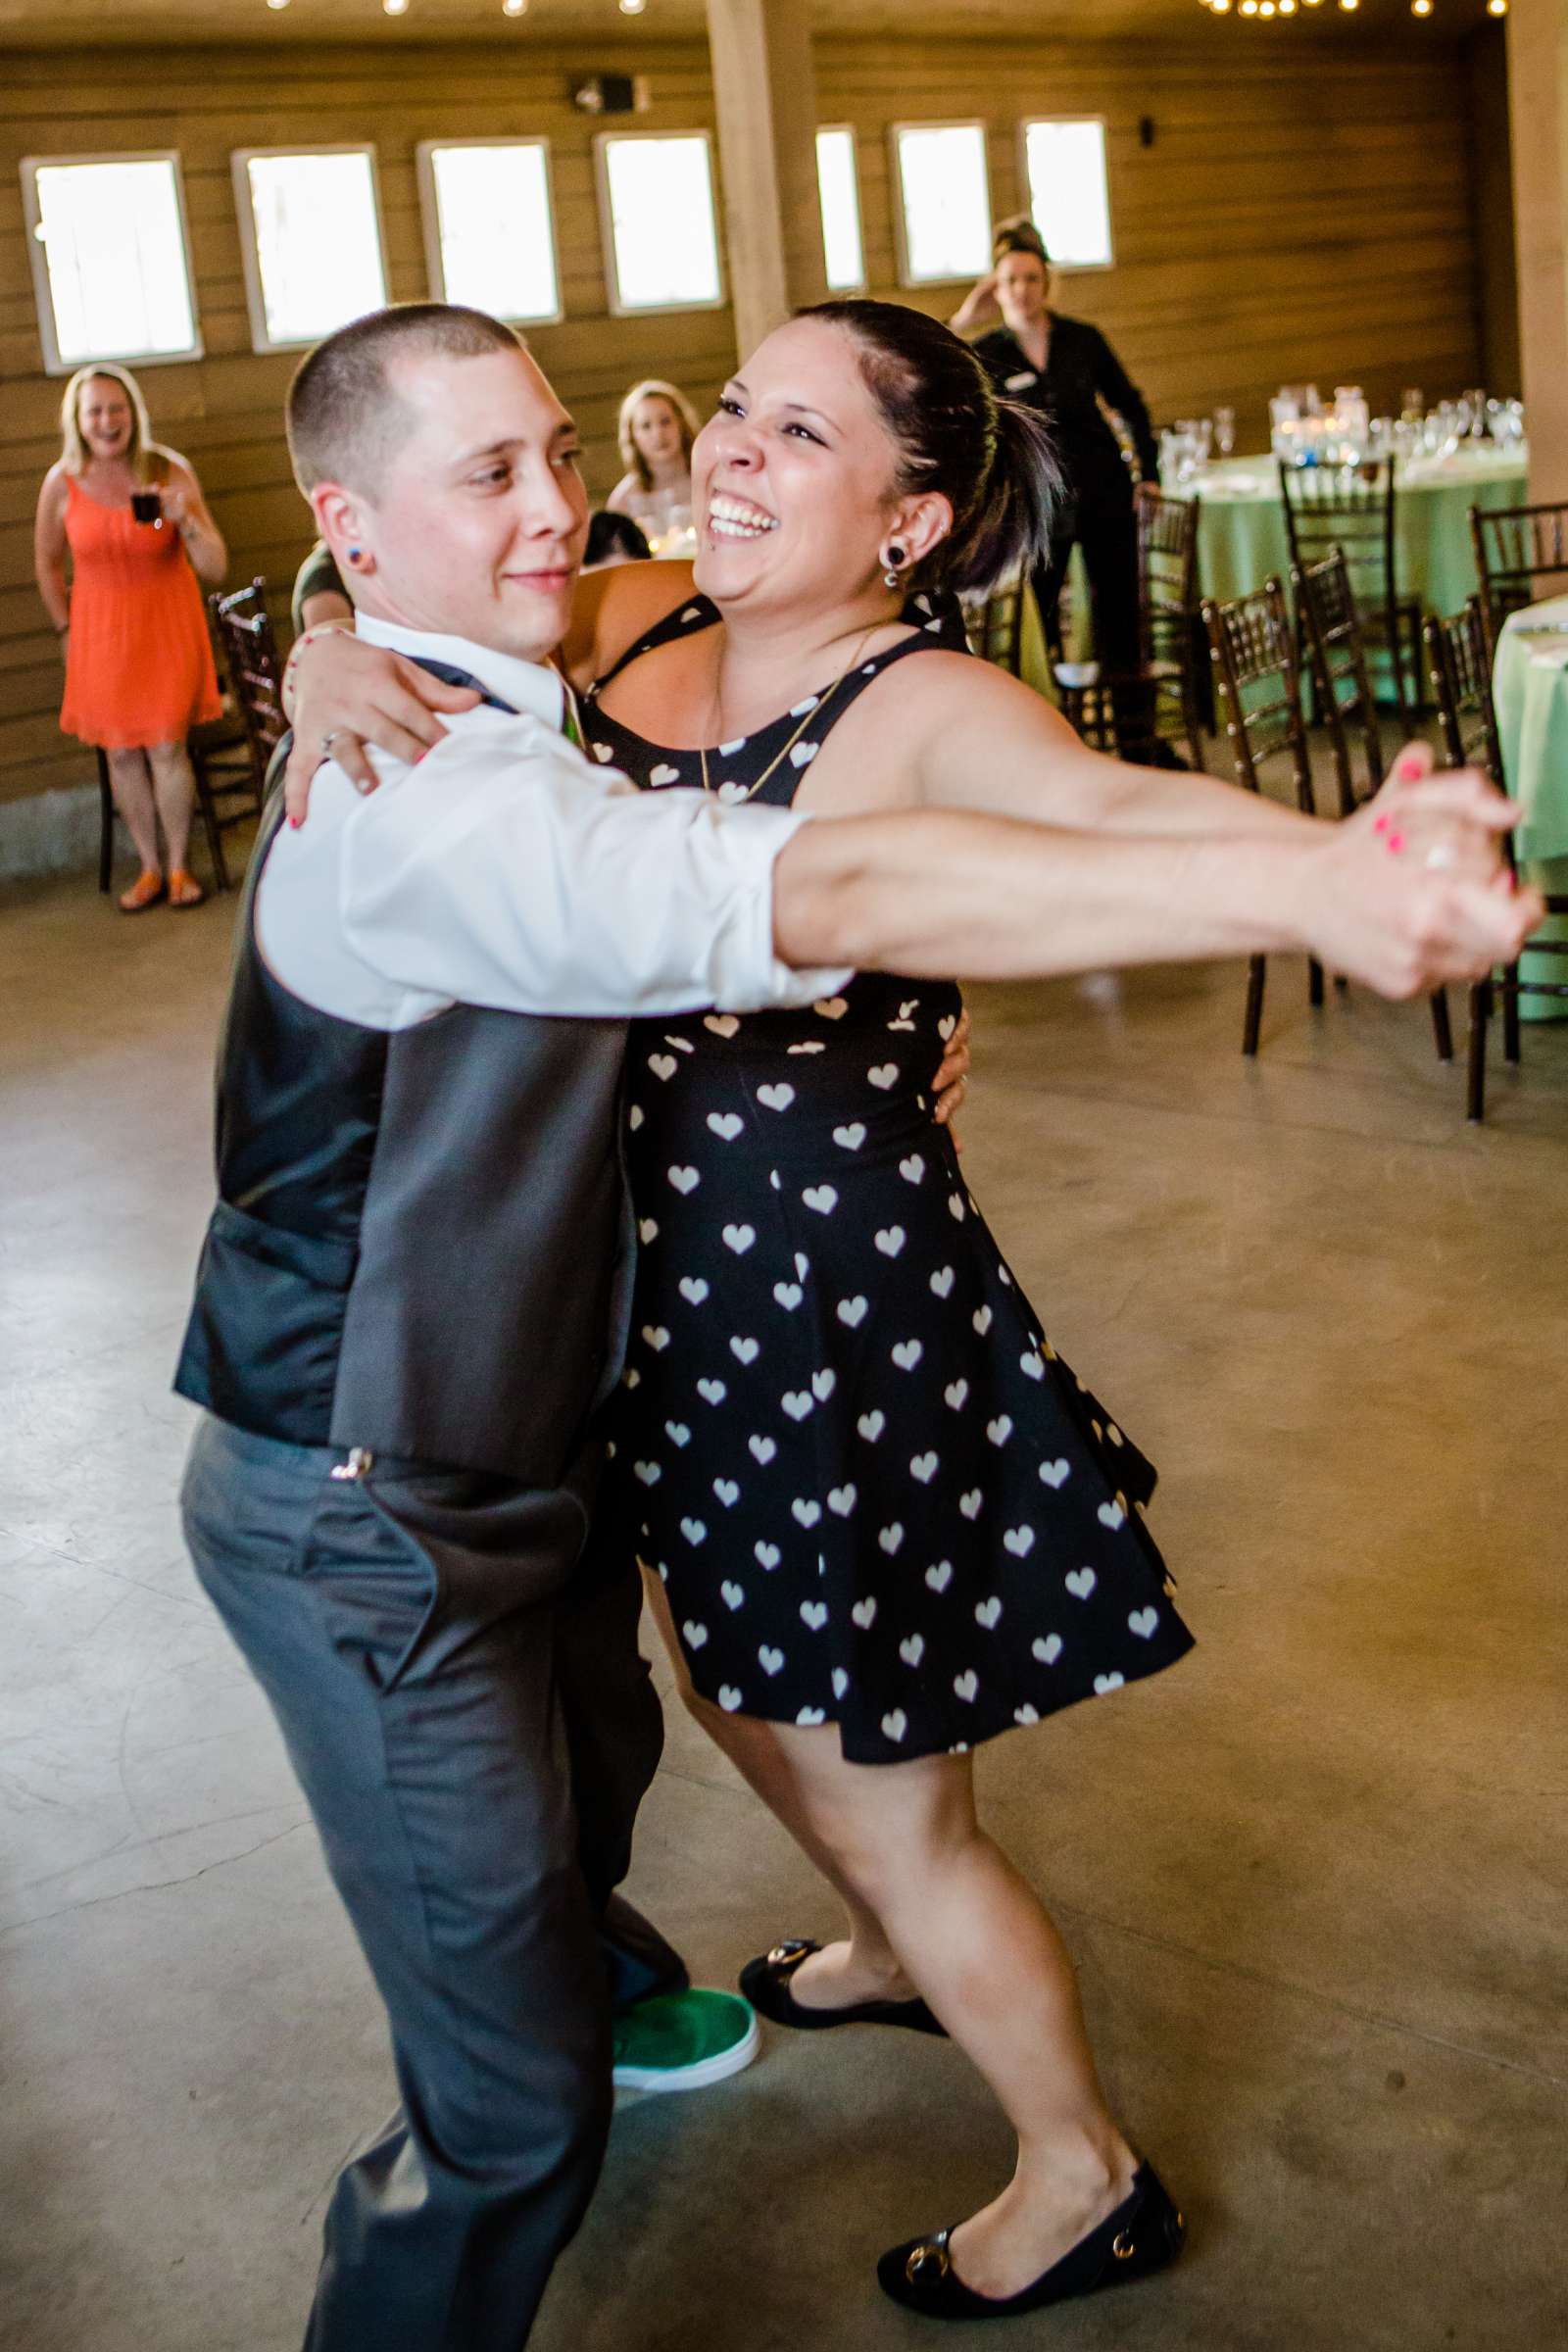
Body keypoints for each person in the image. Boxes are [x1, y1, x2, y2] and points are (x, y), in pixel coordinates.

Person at [283, 299, 1535, 2331]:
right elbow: (409, 606)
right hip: (652, 1303)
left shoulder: (927, 703)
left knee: (865, 1757)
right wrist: (316, 651)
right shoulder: (620, 624)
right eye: (733, 420)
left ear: (911, 518)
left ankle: (1077, 2168)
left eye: (793, 433)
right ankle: (880, 1936)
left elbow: (1102, 817)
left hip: (821, 1313)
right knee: (743, 1684)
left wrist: (1329, 862)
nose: (728, 459)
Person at [954, 220, 1156, 749]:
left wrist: (1148, 474)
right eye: (1010, 281)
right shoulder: (987, 351)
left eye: (1030, 279)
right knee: (1036, 623)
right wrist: (962, 320)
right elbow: (936, 380)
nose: (1021, 290)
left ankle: (1140, 743)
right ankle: (1048, 744)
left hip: (1106, 492)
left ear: (1047, 283)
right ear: (995, 289)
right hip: (1040, 508)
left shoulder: (1083, 340)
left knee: (1121, 617)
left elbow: (1129, 403)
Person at [33, 362, 228, 909]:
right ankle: (147, 868)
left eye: (116, 408)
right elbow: (48, 565)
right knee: (121, 754)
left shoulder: (167, 470)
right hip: (99, 636)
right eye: (94, 410)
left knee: (167, 745)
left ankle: (179, 868)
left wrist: (184, 518)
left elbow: (215, 567)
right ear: (78, 419)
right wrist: (64, 630)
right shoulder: (62, 481)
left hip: (166, 627)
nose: (107, 420)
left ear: (132, 413)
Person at [605, 377, 700, 534]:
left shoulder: (710, 480)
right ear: (632, 435)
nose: (658, 434)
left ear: (681, 423)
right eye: (646, 426)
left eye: (665, 421)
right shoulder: (622, 501)